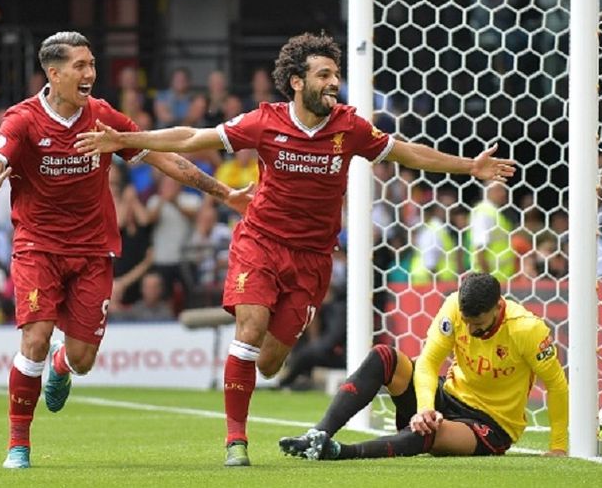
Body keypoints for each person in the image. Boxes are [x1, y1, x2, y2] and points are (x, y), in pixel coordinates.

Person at [75, 32, 516, 467]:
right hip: (260, 241)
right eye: (323, 74)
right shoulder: (264, 121)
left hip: (312, 259)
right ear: (297, 82)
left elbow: (406, 154)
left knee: (269, 361)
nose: (333, 82)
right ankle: (236, 441)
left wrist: (469, 167)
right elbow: (194, 137)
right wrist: (130, 140)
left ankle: (254, 389)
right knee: (249, 330)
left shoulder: (350, 127)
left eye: (335, 74)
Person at [0, 31, 252, 470]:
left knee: (82, 360)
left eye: (92, 64)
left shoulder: (102, 117)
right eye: (80, 66)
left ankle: (62, 365)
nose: (90, 74)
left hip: (93, 251)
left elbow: (165, 157)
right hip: (38, 247)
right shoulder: (23, 119)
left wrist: (226, 193)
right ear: (54, 73)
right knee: (35, 338)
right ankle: (18, 446)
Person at [278, 272, 568, 460]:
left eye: (477, 324)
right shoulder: (455, 306)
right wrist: (425, 408)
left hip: (489, 425)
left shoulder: (527, 330)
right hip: (448, 395)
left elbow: (556, 384)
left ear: (497, 308)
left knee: (430, 433)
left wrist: (557, 445)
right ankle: (317, 435)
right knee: (383, 356)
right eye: (466, 322)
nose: (470, 328)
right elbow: (429, 361)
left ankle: (340, 453)